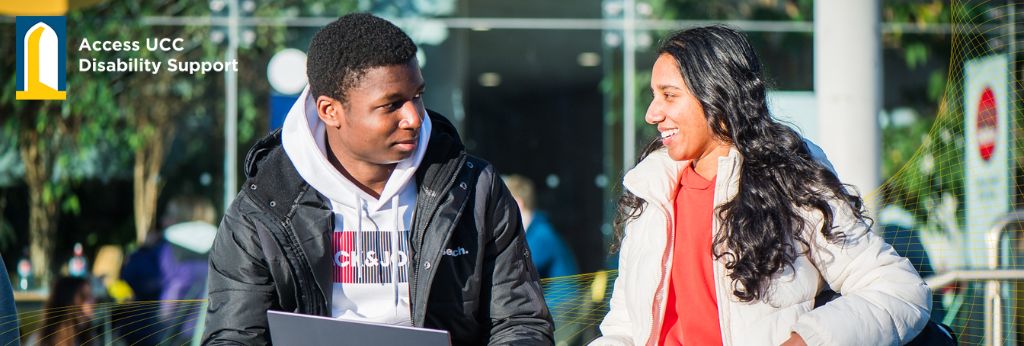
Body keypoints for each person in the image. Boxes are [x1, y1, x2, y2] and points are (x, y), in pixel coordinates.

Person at [203, 13, 553, 345]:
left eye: (417, 96)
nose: (414, 117)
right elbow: (234, 335)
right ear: (330, 111)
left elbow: (520, 321)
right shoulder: (263, 209)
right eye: (391, 105)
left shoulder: (475, 188)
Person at [592, 26, 930, 346]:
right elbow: (624, 328)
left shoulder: (789, 178)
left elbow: (898, 290)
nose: (652, 113)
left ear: (717, 94)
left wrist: (808, 340)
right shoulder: (651, 190)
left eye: (669, 95)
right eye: (654, 96)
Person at [503, 174, 579, 279]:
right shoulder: (537, 231)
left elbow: (514, 271)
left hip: (560, 295)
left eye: (502, 204)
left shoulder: (541, 235)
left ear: (517, 203)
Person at [31, 277, 96, 346]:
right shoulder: (41, 340)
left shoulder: (86, 336)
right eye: (84, 296)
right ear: (69, 302)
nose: (93, 301)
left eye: (91, 296)